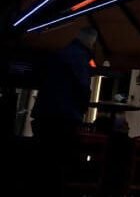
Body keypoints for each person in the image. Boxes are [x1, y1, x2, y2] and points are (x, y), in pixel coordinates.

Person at [32, 27, 98, 196]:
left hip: (46, 112)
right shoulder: (80, 58)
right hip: (65, 116)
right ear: (90, 42)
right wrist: (82, 107)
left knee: (45, 160)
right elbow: (82, 87)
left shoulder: (62, 52)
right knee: (59, 161)